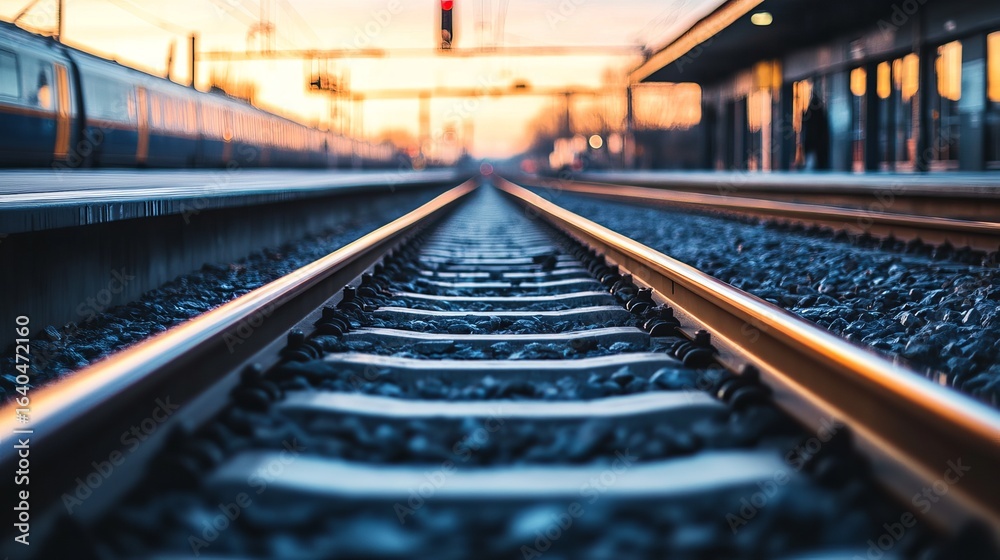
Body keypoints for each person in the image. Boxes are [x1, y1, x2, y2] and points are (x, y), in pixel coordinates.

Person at [801, 91, 830, 170]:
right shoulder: (820, 113)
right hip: (817, 144)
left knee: (812, 163)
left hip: (813, 144)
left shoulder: (813, 113)